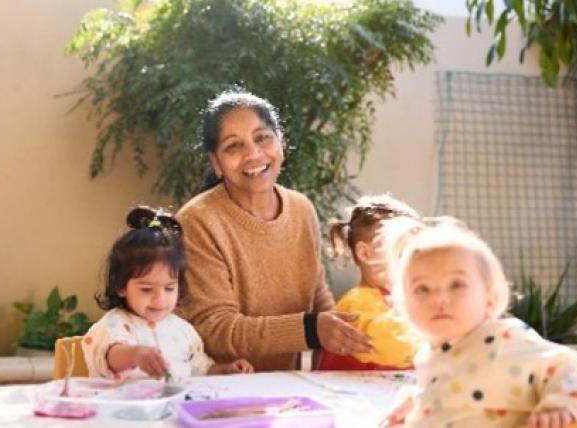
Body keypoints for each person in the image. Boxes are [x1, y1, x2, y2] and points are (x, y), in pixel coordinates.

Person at [175, 89, 371, 372]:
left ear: (281, 143)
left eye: (262, 137)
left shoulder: (301, 208)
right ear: (216, 163)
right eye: (233, 146)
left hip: (285, 387)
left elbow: (317, 296)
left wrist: (350, 329)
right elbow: (215, 329)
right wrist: (312, 329)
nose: (253, 154)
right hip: (217, 386)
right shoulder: (197, 221)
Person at [381, 217, 577, 428]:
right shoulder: (428, 356)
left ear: (489, 297)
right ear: (403, 305)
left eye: (456, 284)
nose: (438, 298)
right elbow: (458, 389)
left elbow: (567, 363)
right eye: (422, 289)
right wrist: (417, 401)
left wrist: (562, 404)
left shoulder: (504, 337)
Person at [82, 206, 253, 381]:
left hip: (174, 407)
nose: (160, 299)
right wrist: (135, 355)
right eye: (147, 289)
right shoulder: (114, 324)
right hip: (124, 407)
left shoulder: (182, 330)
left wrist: (225, 370)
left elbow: (199, 368)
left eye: (169, 288)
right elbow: (109, 356)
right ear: (121, 286)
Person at [318, 194, 422, 371]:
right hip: (343, 394)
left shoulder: (397, 299)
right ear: (365, 254)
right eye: (402, 252)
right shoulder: (357, 303)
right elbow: (392, 344)